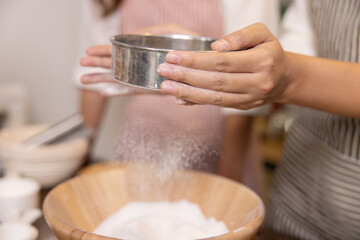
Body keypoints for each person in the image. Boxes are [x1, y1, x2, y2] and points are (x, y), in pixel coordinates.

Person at [158, 0, 360, 239]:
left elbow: (291, 70)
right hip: (298, 193)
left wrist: (288, 77)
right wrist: (216, 56)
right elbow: (302, 36)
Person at [76, 0, 279, 196]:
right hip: (141, 143)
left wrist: (228, 179)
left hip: (223, 148)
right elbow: (97, 70)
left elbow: (248, 72)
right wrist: (78, 159)